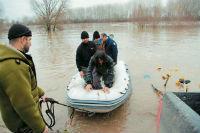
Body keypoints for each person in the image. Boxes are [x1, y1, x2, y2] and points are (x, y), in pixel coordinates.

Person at [0, 24, 49, 133]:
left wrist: (41, 93)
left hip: (24, 123)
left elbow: (26, 85)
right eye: (29, 40)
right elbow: (24, 105)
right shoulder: (14, 66)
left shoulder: (11, 58)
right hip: (24, 125)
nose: (30, 44)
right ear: (23, 39)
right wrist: (41, 128)